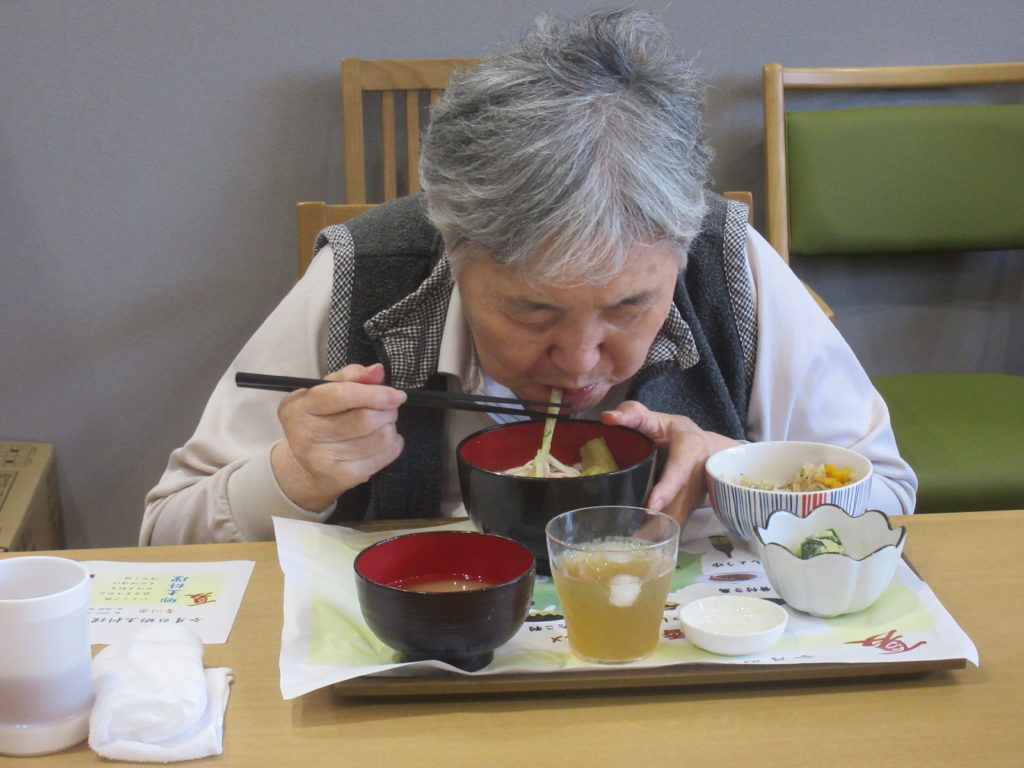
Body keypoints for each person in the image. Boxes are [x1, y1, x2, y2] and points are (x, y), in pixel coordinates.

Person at [141, 9, 916, 546]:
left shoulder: (727, 259)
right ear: (451, 249)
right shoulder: (368, 271)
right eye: (533, 311)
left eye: (629, 306)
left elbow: (885, 495)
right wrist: (296, 475)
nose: (580, 363)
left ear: (678, 252)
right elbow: (165, 533)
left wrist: (739, 476)